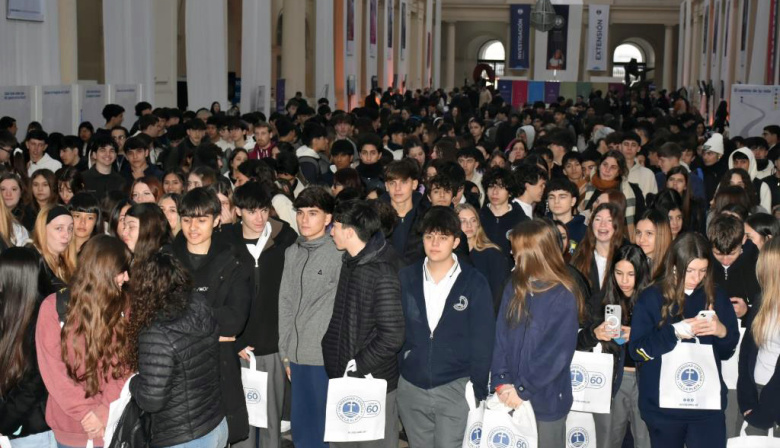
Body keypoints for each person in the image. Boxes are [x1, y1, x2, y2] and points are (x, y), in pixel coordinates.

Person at [396, 205, 495, 447]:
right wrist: (405, 363)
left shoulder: (474, 282)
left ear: (456, 241)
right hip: (412, 385)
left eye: (443, 237)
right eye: (429, 236)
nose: (435, 243)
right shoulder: (406, 277)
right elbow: (396, 326)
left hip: (455, 386)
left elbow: (484, 339)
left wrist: (478, 387)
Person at [630, 232, 739, 447]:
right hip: (663, 408)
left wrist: (722, 332)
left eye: (703, 271)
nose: (697, 278)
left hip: (706, 407)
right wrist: (674, 332)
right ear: (674, 265)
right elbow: (637, 351)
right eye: (690, 270)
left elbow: (727, 351)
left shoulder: (716, 296)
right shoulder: (652, 297)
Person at [170, 187, 252, 444]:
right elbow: (157, 316)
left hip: (218, 369)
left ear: (217, 220)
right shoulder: (166, 260)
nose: (193, 227)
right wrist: (211, 331)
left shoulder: (234, 259)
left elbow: (234, 320)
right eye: (187, 220)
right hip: (175, 370)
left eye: (201, 220)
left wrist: (182, 320)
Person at [36, 235, 132, 448]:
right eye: (122, 270)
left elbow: (127, 364)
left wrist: (104, 411)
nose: (127, 278)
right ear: (102, 271)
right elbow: (53, 372)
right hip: (71, 429)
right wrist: (87, 413)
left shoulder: (126, 306)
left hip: (115, 424)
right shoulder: (53, 307)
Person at [323, 199, 405, 448]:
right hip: (345, 378)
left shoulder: (382, 272)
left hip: (372, 382)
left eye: (335, 227)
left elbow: (392, 336)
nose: (331, 232)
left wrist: (358, 364)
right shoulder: (350, 262)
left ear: (349, 231)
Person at [124, 251, 227, 448]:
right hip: (216, 425)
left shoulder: (155, 332)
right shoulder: (199, 303)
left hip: (184, 438)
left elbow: (152, 400)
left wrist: (133, 382)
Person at [491, 219, 578, 447]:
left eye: (516, 249)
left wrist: (522, 389)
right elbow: (501, 336)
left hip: (546, 402)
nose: (511, 253)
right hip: (509, 395)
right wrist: (501, 381)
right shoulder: (514, 286)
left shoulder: (562, 294)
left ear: (534, 253)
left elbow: (556, 355)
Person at [225, 181, 297, 448]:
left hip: (273, 344)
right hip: (237, 346)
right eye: (251, 211)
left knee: (270, 423)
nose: (259, 218)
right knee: (241, 424)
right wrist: (234, 339)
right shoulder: (225, 241)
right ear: (238, 211)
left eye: (264, 210)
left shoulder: (285, 237)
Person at [277, 186, 342, 448]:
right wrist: (285, 351)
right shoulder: (292, 252)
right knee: (303, 431)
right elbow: (285, 302)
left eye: (313, 213)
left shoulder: (339, 252)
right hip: (295, 355)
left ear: (328, 218)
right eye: (300, 212)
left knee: (326, 432)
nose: (304, 219)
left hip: (324, 357)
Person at [579, 245, 652, 448]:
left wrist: (638, 335)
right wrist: (594, 333)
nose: (624, 280)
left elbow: (665, 339)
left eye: (631, 274)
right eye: (619, 273)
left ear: (641, 273)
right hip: (609, 382)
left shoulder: (653, 300)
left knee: (646, 441)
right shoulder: (600, 301)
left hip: (645, 379)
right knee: (607, 441)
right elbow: (576, 341)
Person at [0, 247, 57, 448]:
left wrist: (4, 420)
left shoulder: (41, 319)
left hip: (36, 430)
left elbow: (34, 384)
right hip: (20, 427)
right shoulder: (11, 313)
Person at [737, 236, 780, 436]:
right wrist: (747, 400)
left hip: (772, 397)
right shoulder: (762, 300)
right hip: (756, 393)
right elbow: (746, 352)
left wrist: (766, 408)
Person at [707, 214, 761, 323]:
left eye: (732, 254)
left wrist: (747, 312)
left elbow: (768, 308)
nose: (725, 261)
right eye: (718, 254)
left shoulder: (757, 262)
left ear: (743, 239)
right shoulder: (703, 261)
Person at [456, 203, 510, 311]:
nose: (469, 225)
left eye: (473, 220)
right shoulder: (450, 256)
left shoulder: (493, 254)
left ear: (478, 224)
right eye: (463, 221)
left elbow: (499, 295)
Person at [581, 150, 645, 236]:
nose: (607, 170)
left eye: (613, 167)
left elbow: (640, 221)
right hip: (588, 236)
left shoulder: (633, 191)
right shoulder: (588, 187)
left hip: (619, 238)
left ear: (619, 172)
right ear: (599, 166)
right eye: (605, 165)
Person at [571, 203, 626, 295]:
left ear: (617, 225)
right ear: (591, 224)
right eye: (598, 219)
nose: (602, 224)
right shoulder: (580, 256)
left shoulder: (624, 258)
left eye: (609, 220)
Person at [30, 205, 77, 294]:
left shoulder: (67, 263)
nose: (67, 235)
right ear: (42, 229)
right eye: (59, 228)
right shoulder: (32, 262)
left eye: (70, 229)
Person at [479, 167, 523, 261]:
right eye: (491, 186)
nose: (495, 192)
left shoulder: (521, 220)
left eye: (501, 187)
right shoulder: (477, 217)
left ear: (510, 192)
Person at [545, 177, 587, 252]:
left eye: (562, 197)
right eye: (551, 197)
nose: (556, 201)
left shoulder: (584, 231)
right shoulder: (541, 228)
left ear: (573, 201)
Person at [82, 135, 127, 200]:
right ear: (94, 155)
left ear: (115, 155)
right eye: (103, 150)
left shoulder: (121, 181)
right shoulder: (83, 178)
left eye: (111, 151)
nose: (107, 154)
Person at [634, 209, 673, 280]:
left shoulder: (671, 268)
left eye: (649, 233)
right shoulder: (632, 262)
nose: (641, 239)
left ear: (662, 236)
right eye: (638, 232)